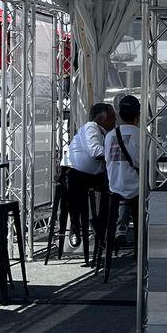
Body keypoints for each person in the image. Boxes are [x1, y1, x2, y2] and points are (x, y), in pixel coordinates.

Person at [64, 102, 115, 248]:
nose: (115, 119)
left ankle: (100, 227)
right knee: (74, 181)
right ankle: (75, 226)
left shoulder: (108, 132)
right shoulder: (91, 127)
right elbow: (95, 151)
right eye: (112, 116)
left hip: (93, 175)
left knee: (112, 189)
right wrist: (116, 152)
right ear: (101, 118)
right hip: (75, 171)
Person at [104, 94, 140, 245]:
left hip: (114, 187)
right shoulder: (140, 135)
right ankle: (143, 241)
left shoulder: (109, 136)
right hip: (136, 189)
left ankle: (119, 229)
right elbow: (143, 162)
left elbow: (107, 160)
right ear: (138, 115)